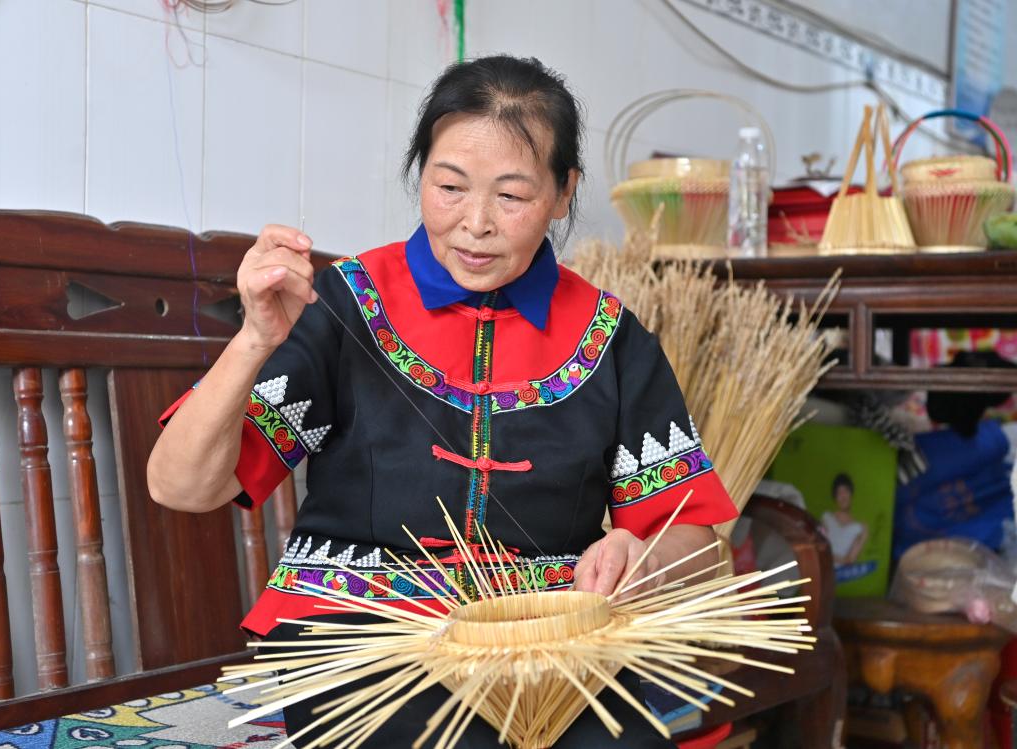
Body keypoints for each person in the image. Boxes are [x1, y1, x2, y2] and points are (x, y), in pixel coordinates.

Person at [148, 54, 738, 748]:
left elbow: (695, 540)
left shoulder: (610, 336)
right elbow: (179, 485)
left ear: (562, 191)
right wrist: (253, 339)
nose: (476, 223)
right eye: (449, 185)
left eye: (512, 196)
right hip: (365, 641)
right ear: (420, 172)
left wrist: (641, 554)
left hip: (553, 644)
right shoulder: (346, 305)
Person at [821, 473, 868, 566]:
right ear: (835, 497)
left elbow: (851, 559)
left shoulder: (859, 528)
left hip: (842, 576)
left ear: (851, 493)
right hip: (824, 569)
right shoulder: (826, 518)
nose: (843, 496)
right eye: (839, 493)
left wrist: (836, 559)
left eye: (845, 491)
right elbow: (821, 547)